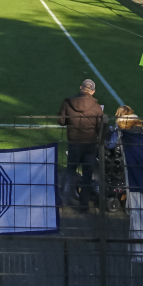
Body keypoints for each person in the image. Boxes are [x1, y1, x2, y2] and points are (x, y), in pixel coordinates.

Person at [57, 79, 105, 208]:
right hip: (89, 144)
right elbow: (100, 128)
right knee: (87, 173)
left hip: (74, 142)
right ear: (93, 92)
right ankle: (84, 202)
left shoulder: (68, 102)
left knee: (70, 170)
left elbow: (61, 121)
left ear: (81, 88)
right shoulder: (96, 108)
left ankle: (64, 199)